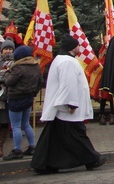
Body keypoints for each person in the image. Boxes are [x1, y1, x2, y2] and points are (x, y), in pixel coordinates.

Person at [31, 35, 104, 174]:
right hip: (68, 109)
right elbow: (68, 84)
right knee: (77, 136)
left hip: (62, 108)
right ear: (72, 47)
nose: (79, 48)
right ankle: (91, 159)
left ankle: (46, 164)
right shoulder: (67, 62)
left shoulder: (62, 60)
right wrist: (71, 104)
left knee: (55, 137)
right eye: (77, 46)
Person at [2, 44, 43, 160]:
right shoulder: (36, 66)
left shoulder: (18, 67)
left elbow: (9, 82)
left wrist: (6, 74)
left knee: (15, 126)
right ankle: (32, 146)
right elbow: (40, 81)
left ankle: (17, 150)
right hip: (29, 98)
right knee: (26, 124)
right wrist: (34, 92)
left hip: (16, 98)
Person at [0, 38, 15, 157]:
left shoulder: (15, 63)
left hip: (7, 97)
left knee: (5, 122)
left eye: (10, 49)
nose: (8, 51)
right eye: (6, 49)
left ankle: (1, 146)